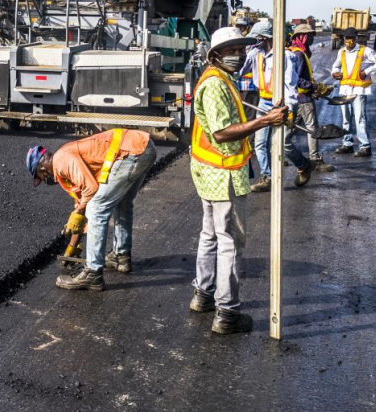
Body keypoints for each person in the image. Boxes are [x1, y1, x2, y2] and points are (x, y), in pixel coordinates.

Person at [189, 27, 291, 335]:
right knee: (229, 242)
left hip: (210, 171)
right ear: (216, 54)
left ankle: (203, 295)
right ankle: (227, 313)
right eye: (233, 49)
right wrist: (264, 121)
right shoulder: (215, 85)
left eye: (241, 49)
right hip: (222, 174)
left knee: (210, 236)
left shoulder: (222, 80)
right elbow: (221, 133)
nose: (240, 54)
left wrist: (263, 114)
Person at [26, 129, 157, 291]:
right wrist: (72, 247)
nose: (46, 180)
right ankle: (121, 256)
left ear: (42, 169)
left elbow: (91, 190)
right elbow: (82, 202)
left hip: (131, 152)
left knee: (96, 209)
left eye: (41, 177)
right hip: (143, 147)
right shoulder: (65, 160)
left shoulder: (61, 162)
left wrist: (79, 211)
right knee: (122, 204)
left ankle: (93, 273)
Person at [240, 21, 317, 192]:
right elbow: (240, 70)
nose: (254, 42)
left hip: (281, 103)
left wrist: (288, 108)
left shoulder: (285, 56)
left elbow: (291, 84)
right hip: (263, 101)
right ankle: (266, 177)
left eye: (257, 38)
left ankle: (304, 165)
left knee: (283, 143)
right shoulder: (254, 54)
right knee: (260, 143)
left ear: (264, 38)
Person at [330, 27, 376, 156]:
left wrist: (366, 71)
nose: (349, 41)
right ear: (343, 39)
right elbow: (335, 66)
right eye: (347, 38)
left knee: (360, 118)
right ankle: (347, 144)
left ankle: (365, 146)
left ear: (356, 39)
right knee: (346, 118)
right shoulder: (342, 52)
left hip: (359, 90)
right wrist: (334, 73)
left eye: (351, 38)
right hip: (345, 90)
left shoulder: (365, 51)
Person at [287, 24, 334, 173]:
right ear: (301, 37)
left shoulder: (293, 52)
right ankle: (315, 159)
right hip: (303, 98)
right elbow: (297, 79)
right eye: (309, 36)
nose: (311, 39)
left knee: (290, 129)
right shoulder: (299, 54)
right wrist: (314, 87)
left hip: (294, 97)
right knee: (312, 128)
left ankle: (277, 154)